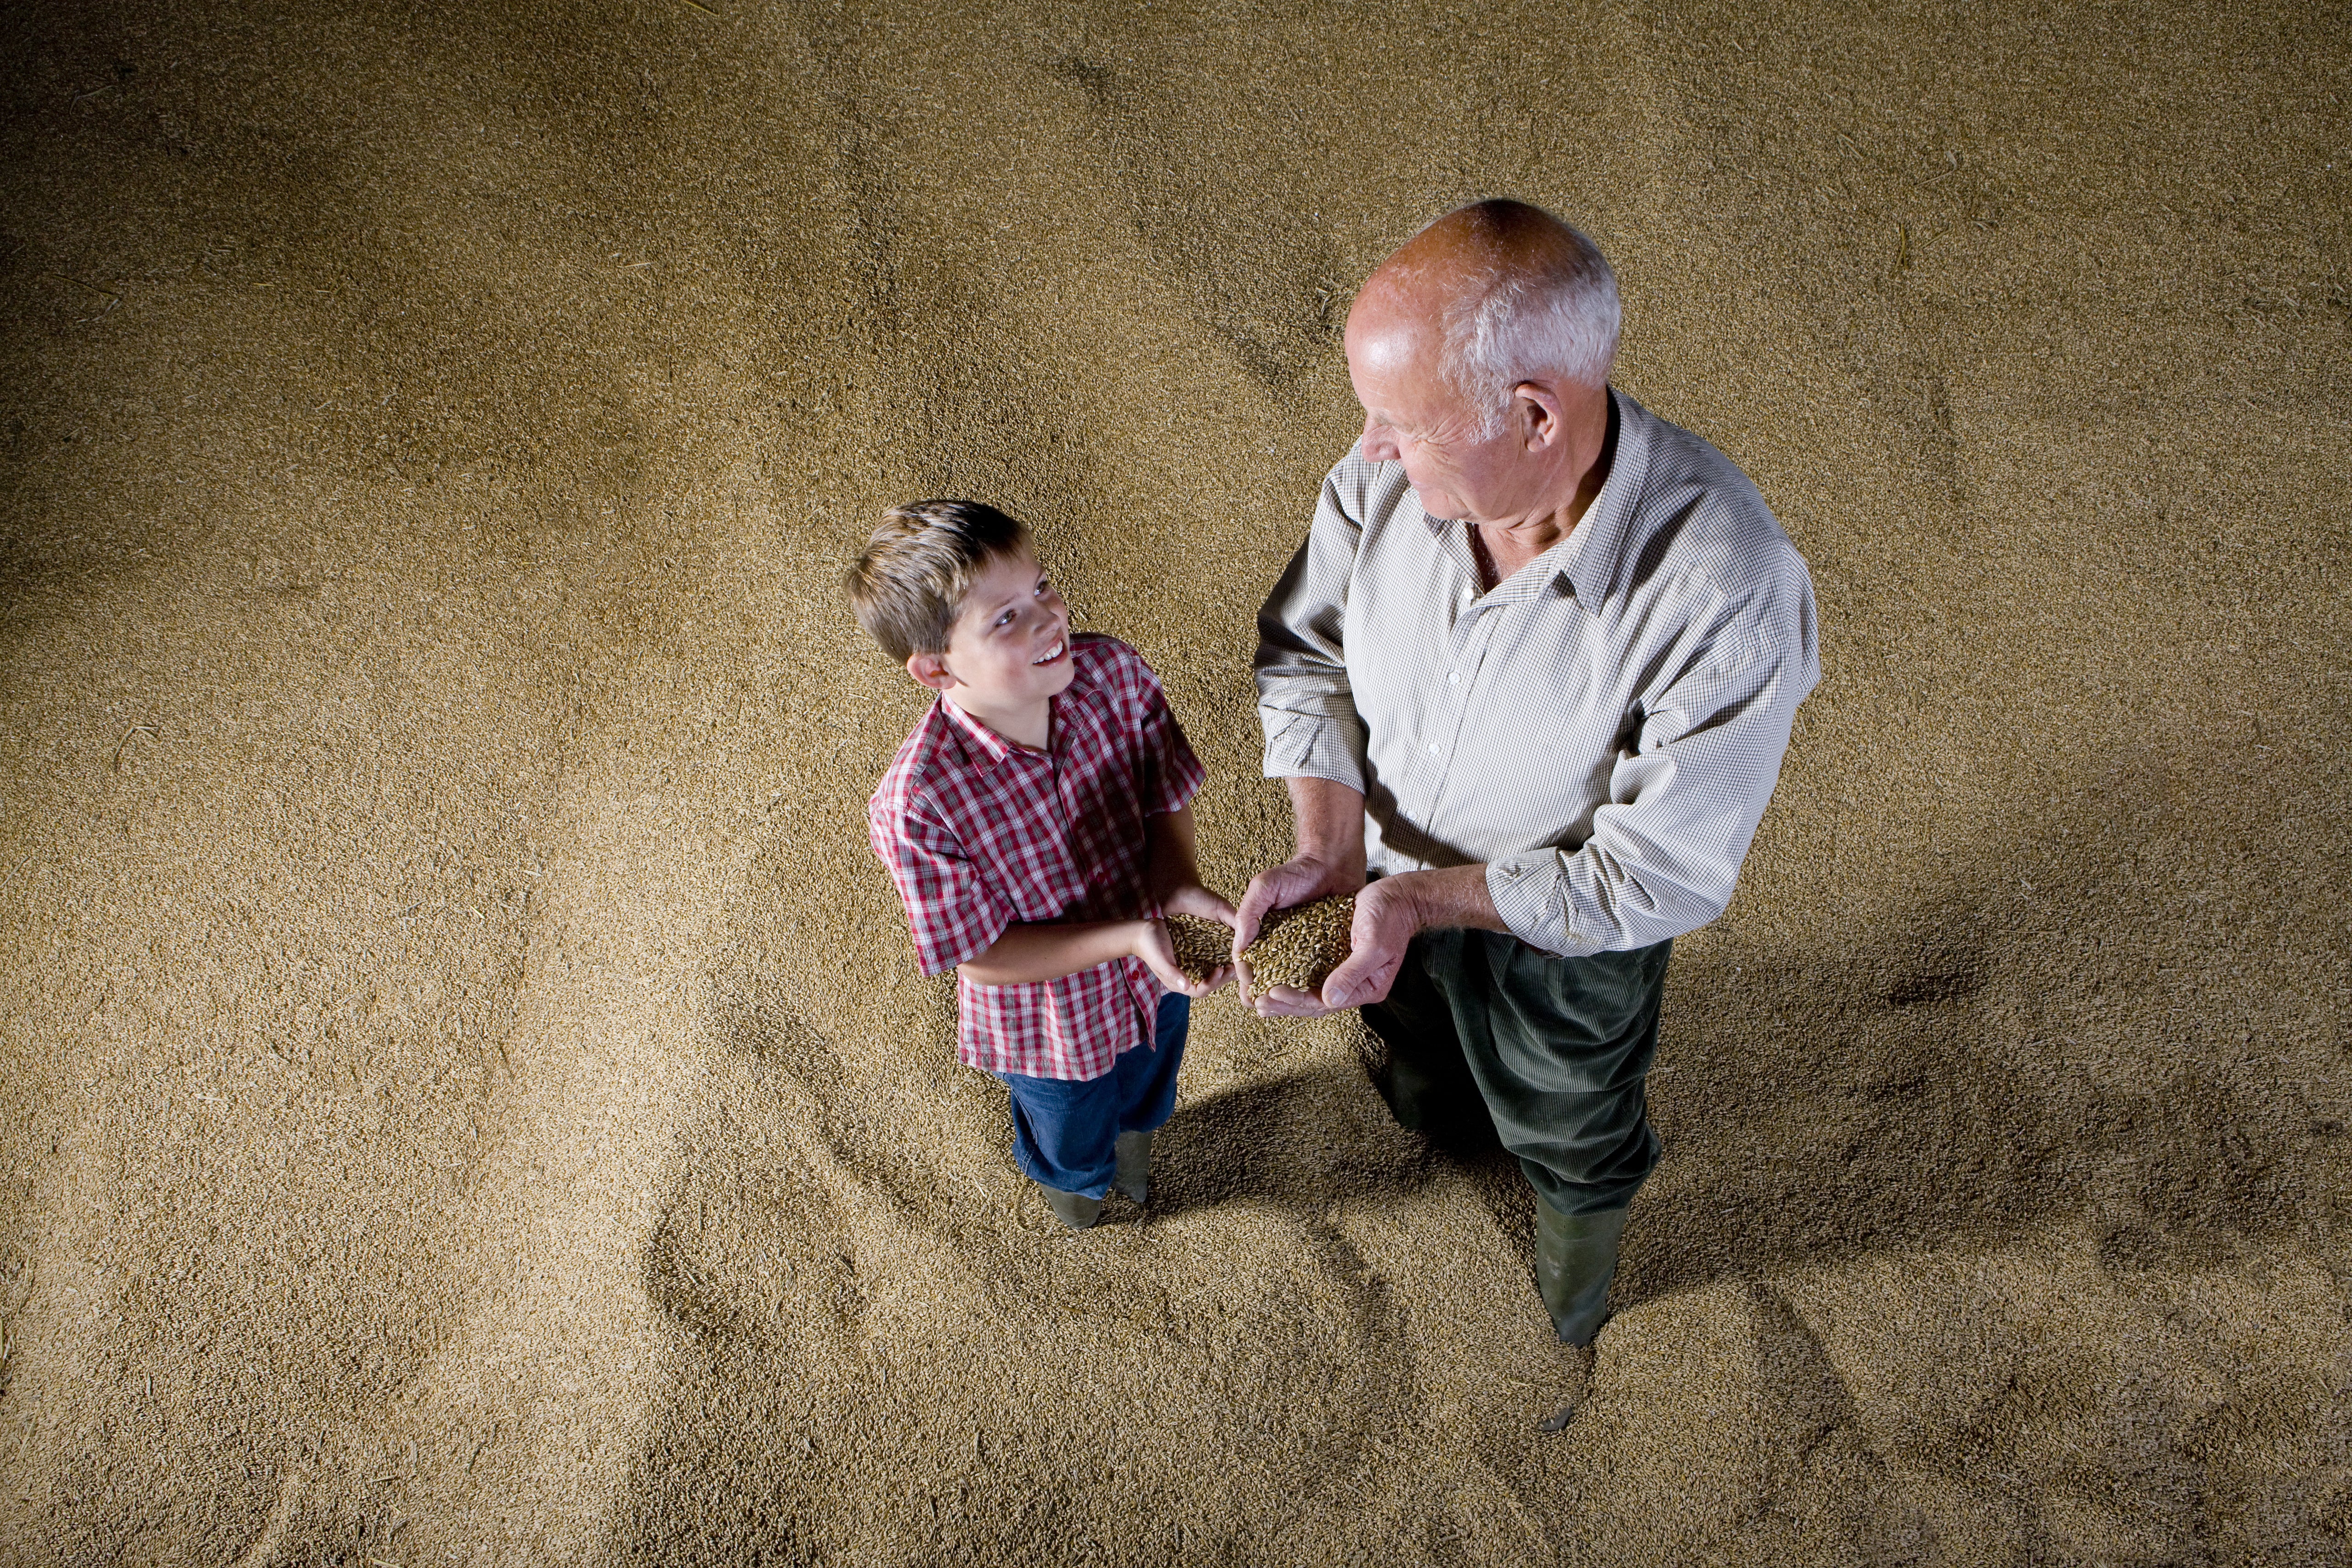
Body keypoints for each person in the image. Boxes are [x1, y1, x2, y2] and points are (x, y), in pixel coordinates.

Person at [1238, 200, 1819, 1347]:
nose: (1367, 449)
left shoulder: (1727, 590)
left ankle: (1576, 1282)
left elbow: (1657, 877)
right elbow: (1306, 655)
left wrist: (1416, 901)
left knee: (1569, 1116)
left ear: (1533, 414)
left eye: (1399, 422)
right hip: (1378, 887)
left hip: (1562, 945)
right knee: (1413, 1053)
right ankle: (1436, 1117)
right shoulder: (1382, 486)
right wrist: (1331, 849)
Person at [853, 499, 1236, 1231]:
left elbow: (1163, 795)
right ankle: (1079, 1196)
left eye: (1043, 587)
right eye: (1005, 619)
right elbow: (982, 955)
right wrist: (1126, 935)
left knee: (1150, 1090)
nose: (1048, 618)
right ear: (934, 668)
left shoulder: (1114, 675)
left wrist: (1175, 879)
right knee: (1068, 1132)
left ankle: (1134, 1159)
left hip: (1154, 976)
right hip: (1047, 1026)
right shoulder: (917, 803)